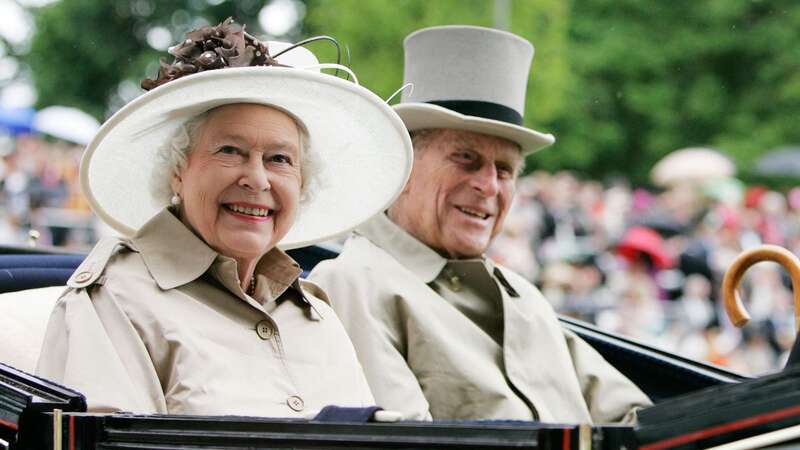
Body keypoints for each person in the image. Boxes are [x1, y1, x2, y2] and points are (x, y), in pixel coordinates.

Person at [36, 18, 413, 416]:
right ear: (178, 169)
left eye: (279, 159)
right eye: (231, 151)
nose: (257, 179)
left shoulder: (318, 314)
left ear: (302, 184)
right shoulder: (113, 299)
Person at [309, 25, 652, 423]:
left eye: (504, 170)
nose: (488, 186)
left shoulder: (523, 298)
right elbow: (408, 443)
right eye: (465, 159)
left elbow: (635, 418)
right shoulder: (352, 283)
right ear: (401, 169)